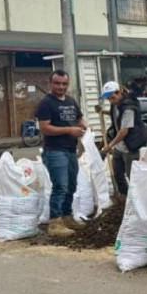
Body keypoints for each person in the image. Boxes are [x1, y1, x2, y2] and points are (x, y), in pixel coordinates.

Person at [35, 70, 87, 235]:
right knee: (61, 186)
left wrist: (84, 126)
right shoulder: (46, 104)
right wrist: (69, 130)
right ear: (51, 84)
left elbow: (79, 118)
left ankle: (67, 216)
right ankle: (55, 223)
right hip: (55, 151)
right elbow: (45, 128)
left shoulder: (71, 101)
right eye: (57, 83)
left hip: (71, 150)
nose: (61, 87)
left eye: (64, 84)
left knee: (71, 185)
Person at [100, 81, 147, 196]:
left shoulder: (129, 108)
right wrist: (103, 112)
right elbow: (117, 115)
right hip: (120, 146)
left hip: (132, 146)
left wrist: (109, 146)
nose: (110, 100)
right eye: (108, 98)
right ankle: (125, 197)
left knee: (132, 176)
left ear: (119, 93)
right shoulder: (115, 104)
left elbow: (124, 131)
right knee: (118, 173)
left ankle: (138, 199)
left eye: (112, 97)